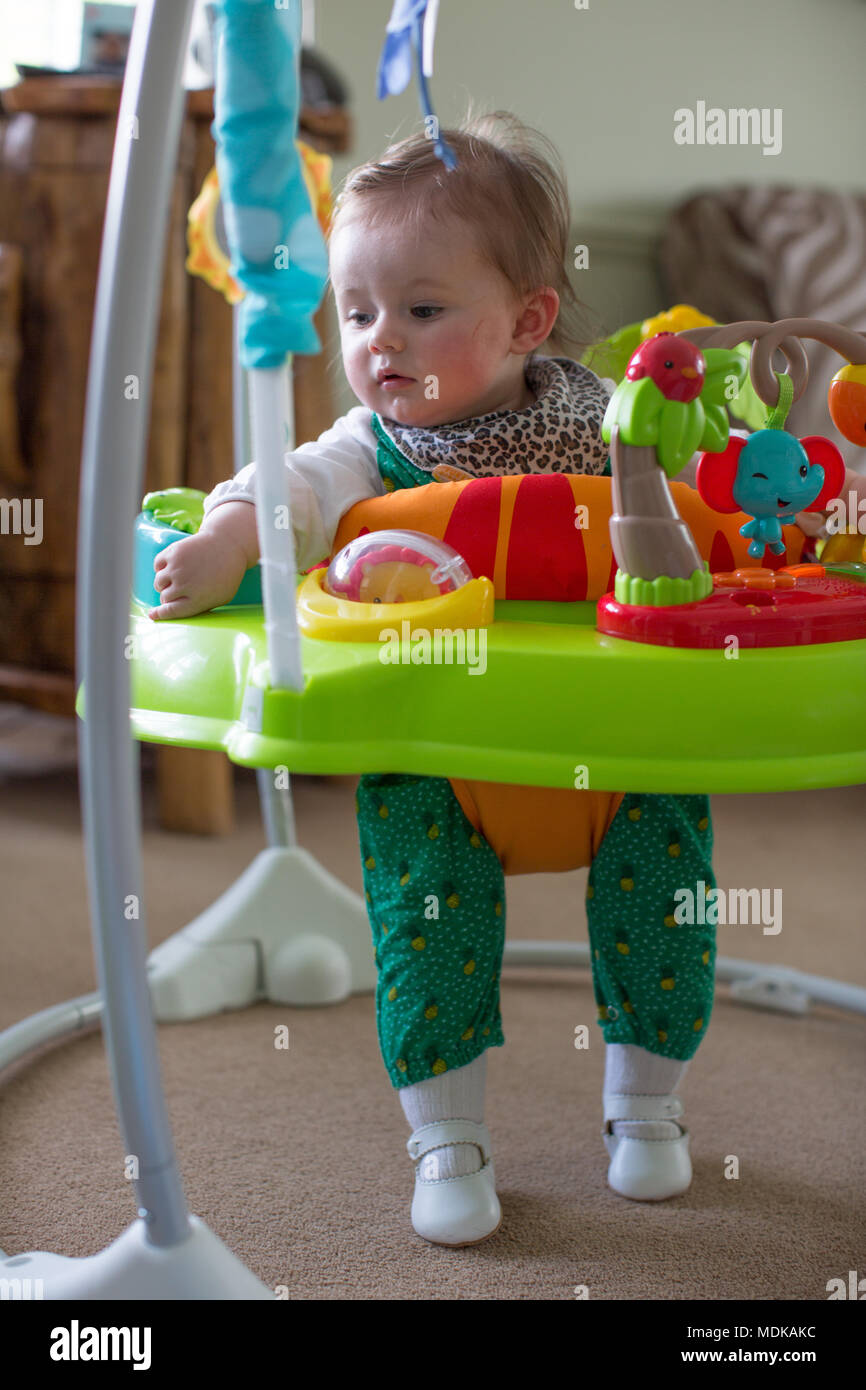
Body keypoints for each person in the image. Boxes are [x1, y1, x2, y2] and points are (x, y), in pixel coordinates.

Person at [149, 111, 719, 1247]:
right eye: (356, 312)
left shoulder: (611, 429)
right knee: (426, 928)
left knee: (666, 901)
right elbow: (287, 487)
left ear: (527, 322)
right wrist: (225, 540)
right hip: (438, 747)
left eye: (420, 310)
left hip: (614, 735)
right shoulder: (366, 449)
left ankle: (646, 1107)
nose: (380, 343)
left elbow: (717, 510)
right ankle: (447, 1139)